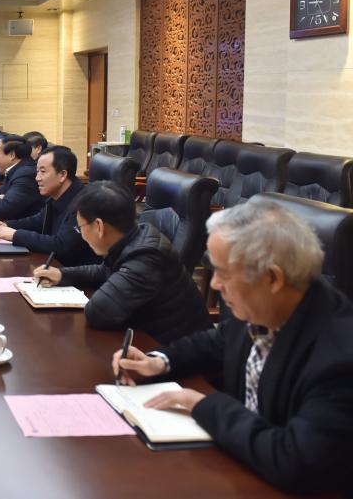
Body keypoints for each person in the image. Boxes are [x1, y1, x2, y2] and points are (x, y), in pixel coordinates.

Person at [112, 201, 353, 494]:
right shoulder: (263, 309)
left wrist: (203, 405)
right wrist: (158, 362)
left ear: (272, 278)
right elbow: (212, 343)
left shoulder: (340, 359)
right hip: (244, 470)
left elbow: (297, 461)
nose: (214, 284)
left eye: (223, 274)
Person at [33, 181, 210, 343]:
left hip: (177, 353)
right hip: (148, 339)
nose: (82, 235)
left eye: (80, 228)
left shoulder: (146, 256)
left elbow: (98, 312)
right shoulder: (138, 234)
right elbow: (106, 270)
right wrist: (62, 274)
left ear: (99, 226)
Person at [0, 145, 99, 266]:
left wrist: (15, 235)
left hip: (75, 273)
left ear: (62, 175)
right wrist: (7, 225)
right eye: (37, 171)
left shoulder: (84, 203)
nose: (37, 178)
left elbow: (61, 245)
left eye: (43, 172)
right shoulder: (56, 196)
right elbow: (39, 221)